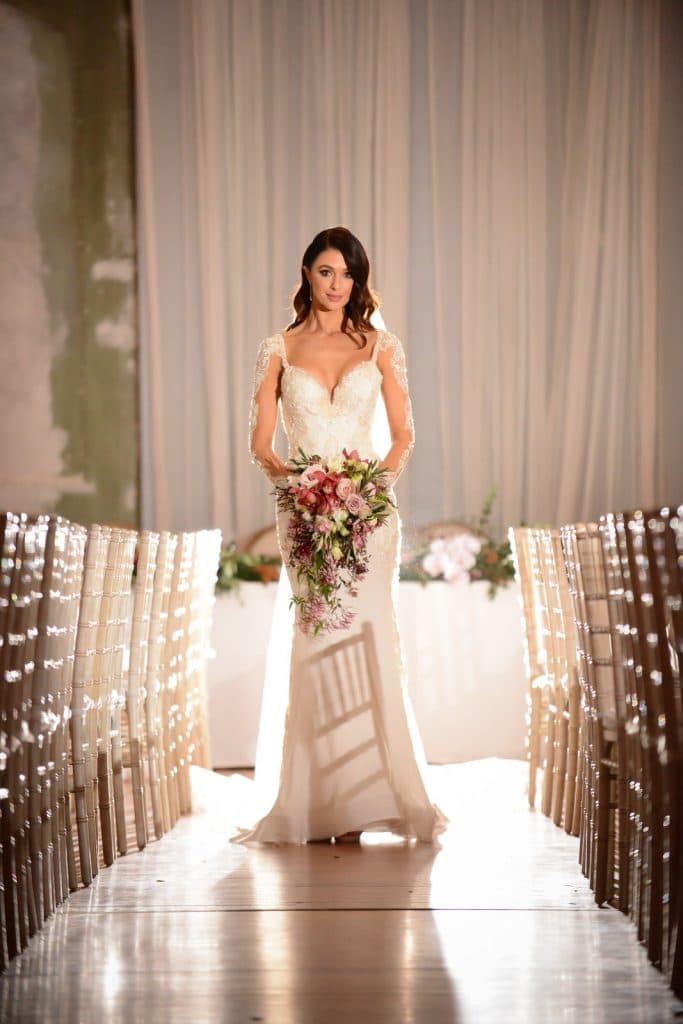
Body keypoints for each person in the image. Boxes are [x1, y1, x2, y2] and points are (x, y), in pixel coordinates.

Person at [233, 226, 446, 844]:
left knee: (369, 641)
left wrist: (367, 490)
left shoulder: (381, 345)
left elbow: (403, 435)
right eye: (326, 272)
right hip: (303, 518)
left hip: (370, 517)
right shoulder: (278, 347)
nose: (337, 285)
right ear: (306, 274)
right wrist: (300, 489)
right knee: (316, 644)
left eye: (347, 274)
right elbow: (260, 444)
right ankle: (316, 803)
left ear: (359, 280)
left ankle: (373, 798)